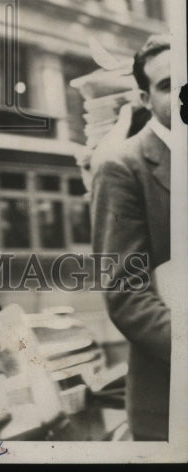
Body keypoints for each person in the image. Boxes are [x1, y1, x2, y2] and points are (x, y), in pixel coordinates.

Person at [91, 34, 172, 441]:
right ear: (144, 98)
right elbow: (126, 294)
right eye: (167, 85)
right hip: (172, 398)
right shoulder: (122, 167)